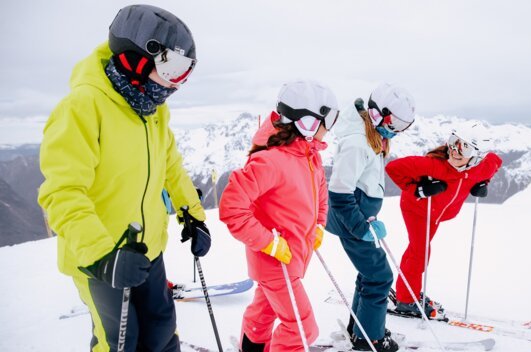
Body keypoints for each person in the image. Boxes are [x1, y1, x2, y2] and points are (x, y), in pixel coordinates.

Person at [38, 5, 210, 351]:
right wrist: (102, 255)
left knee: (162, 333)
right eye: (173, 68)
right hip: (102, 260)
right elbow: (62, 191)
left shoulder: (153, 110)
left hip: (149, 251)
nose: (178, 84)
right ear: (137, 57)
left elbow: (170, 166)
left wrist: (192, 214)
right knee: (120, 341)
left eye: (185, 72)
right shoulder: (83, 107)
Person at [219, 80, 339, 352]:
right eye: (326, 120)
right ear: (307, 123)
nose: (329, 128)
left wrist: (319, 225)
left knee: (263, 315)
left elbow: (320, 191)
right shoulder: (272, 161)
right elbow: (232, 208)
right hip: (275, 262)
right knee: (302, 329)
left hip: (291, 258)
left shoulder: (309, 157)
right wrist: (268, 243)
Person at [325, 83, 416, 352]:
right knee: (379, 276)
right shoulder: (357, 142)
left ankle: (362, 328)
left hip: (359, 219)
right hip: (351, 220)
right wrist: (360, 226)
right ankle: (370, 339)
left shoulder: (370, 136)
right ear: (378, 114)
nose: (397, 130)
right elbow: (339, 193)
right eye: (396, 123)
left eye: (404, 125)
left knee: (370, 273)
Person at [385, 125, 502, 319]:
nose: (455, 151)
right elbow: (393, 168)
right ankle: (406, 300)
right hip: (417, 208)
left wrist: (483, 183)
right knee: (420, 252)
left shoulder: (481, 168)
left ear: (477, 156)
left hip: (437, 214)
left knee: (417, 250)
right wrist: (419, 189)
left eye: (464, 148)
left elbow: (495, 161)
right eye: (453, 142)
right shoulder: (434, 166)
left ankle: (407, 289)